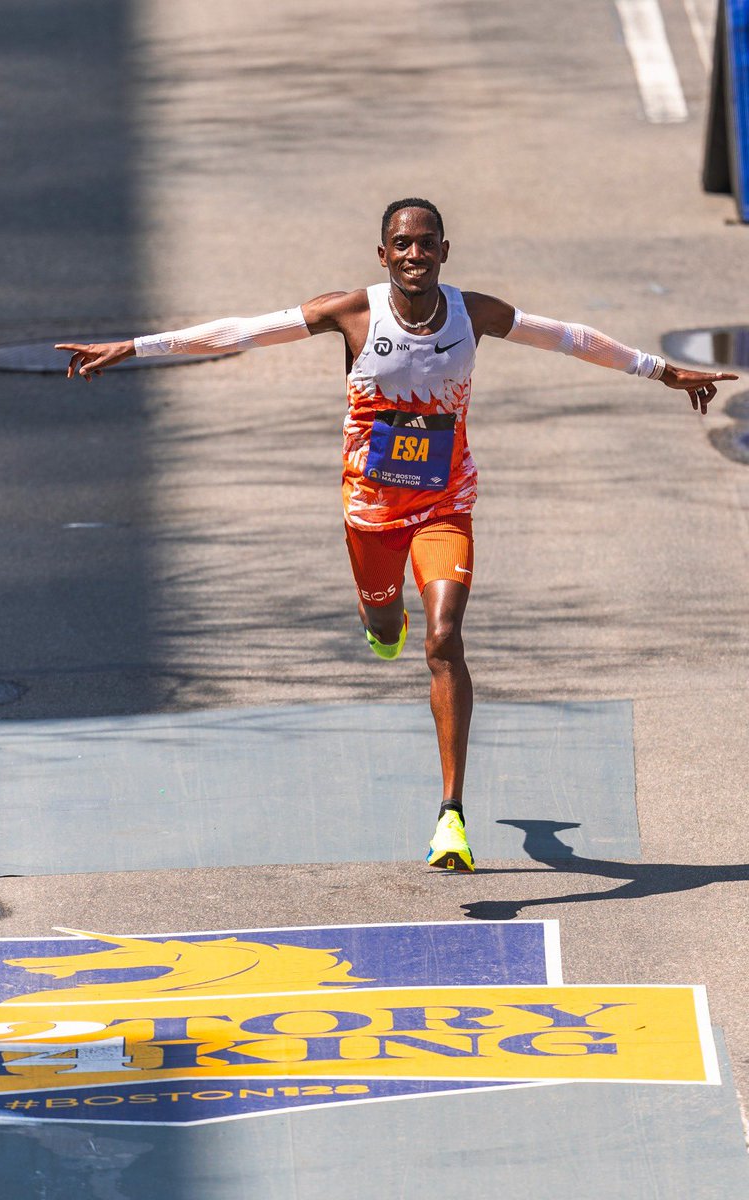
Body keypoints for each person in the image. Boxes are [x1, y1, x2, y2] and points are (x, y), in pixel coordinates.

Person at [56, 197, 736, 873]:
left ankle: (451, 815)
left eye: (426, 242)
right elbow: (240, 332)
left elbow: (569, 336)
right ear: (384, 256)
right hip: (372, 511)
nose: (415, 254)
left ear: (445, 250)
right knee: (387, 626)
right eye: (401, 245)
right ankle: (383, 623)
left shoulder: (474, 314)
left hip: (445, 504)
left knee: (445, 639)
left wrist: (664, 372)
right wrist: (136, 347)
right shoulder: (353, 312)